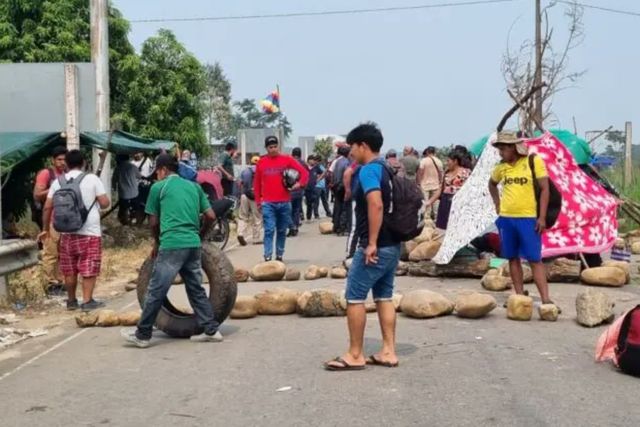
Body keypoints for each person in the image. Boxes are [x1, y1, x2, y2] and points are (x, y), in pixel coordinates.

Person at [122, 154, 221, 348]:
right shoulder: (194, 187)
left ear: (163, 170)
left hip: (172, 244)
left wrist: (157, 243)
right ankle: (211, 330)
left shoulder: (159, 188)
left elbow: (153, 221)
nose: (156, 176)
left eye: (156, 172)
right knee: (195, 289)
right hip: (193, 244)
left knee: (156, 290)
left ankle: (142, 335)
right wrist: (199, 235)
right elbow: (210, 216)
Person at [325, 122, 401, 371]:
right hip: (392, 244)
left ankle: (355, 353)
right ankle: (388, 351)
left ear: (363, 145)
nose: (351, 152)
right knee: (384, 296)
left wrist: (370, 243)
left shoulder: (369, 171)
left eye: (353, 147)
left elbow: (375, 204)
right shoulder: (387, 169)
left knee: (355, 297)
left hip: (376, 245)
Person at [488, 131, 557, 309]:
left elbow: (545, 189)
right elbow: (492, 184)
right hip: (506, 218)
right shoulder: (501, 167)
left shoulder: (533, 162)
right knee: (512, 257)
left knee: (535, 259)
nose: (500, 152)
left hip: (528, 218)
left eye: (503, 149)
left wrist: (541, 217)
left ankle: (545, 299)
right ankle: (519, 296)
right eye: (499, 149)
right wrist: (497, 203)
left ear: (513, 147)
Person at [39, 150, 110, 311]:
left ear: (67, 164)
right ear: (84, 162)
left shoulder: (58, 182)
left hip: (66, 233)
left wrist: (45, 229)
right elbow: (105, 203)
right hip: (89, 232)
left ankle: (71, 301)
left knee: (69, 269)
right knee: (88, 267)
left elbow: (47, 207)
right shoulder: (92, 178)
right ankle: (87, 301)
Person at [254, 136, 309, 262]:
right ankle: (267, 255)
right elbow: (256, 184)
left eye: (275, 147)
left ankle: (279, 255)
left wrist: (299, 184)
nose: (273, 149)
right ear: (266, 148)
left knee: (282, 230)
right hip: (268, 203)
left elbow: (304, 173)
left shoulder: (287, 159)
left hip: (284, 202)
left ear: (278, 146)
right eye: (270, 147)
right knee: (269, 229)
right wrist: (258, 201)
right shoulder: (261, 163)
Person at [33, 146, 67, 295]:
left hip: (66, 219)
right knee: (51, 253)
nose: (62, 162)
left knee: (63, 253)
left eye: (65, 159)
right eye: (59, 159)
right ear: (53, 160)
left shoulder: (67, 174)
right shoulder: (46, 174)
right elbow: (37, 194)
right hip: (51, 219)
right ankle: (50, 283)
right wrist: (55, 187)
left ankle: (59, 281)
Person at [426, 151, 471, 230]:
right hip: (445, 203)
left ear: (455, 161)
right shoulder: (446, 172)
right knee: (443, 228)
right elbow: (440, 190)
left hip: (458, 204)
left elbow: (470, 189)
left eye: (448, 161)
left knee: (457, 228)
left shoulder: (466, 172)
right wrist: (429, 202)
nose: (447, 163)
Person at [237, 156, 263, 246]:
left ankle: (240, 233)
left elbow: (239, 183)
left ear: (251, 162)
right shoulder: (261, 171)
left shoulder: (245, 171)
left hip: (244, 195)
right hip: (256, 197)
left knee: (243, 216)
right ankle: (256, 239)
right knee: (257, 217)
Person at [113, 154, 142, 226]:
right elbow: (139, 176)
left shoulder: (117, 168)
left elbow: (114, 180)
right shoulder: (133, 167)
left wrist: (114, 188)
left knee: (122, 210)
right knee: (135, 209)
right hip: (134, 193)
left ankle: (124, 222)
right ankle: (134, 221)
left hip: (123, 194)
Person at [417, 147, 443, 220]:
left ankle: (426, 222)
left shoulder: (423, 161)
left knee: (425, 204)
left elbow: (420, 172)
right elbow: (441, 173)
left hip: (424, 185)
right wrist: (440, 183)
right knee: (435, 205)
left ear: (427, 152)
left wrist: (419, 182)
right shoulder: (439, 161)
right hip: (436, 185)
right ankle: (436, 221)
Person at [331, 146, 352, 235]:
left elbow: (332, 174)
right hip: (343, 186)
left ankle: (336, 226)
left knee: (338, 207)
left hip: (336, 186)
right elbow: (347, 176)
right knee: (344, 208)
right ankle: (343, 228)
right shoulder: (347, 162)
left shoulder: (337, 161)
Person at [288, 148, 306, 236]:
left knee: (289, 209)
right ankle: (295, 226)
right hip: (299, 190)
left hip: (290, 190)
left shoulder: (289, 163)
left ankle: (291, 227)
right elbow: (306, 176)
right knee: (296, 209)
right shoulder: (303, 163)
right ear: (300, 154)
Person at [304, 155, 320, 220]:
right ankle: (306, 216)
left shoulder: (316, 168)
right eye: (312, 159)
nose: (313, 161)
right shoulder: (305, 167)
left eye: (314, 160)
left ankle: (313, 216)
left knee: (313, 202)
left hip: (313, 188)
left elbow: (324, 173)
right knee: (308, 203)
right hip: (306, 188)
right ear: (308, 160)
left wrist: (318, 179)